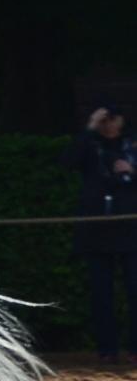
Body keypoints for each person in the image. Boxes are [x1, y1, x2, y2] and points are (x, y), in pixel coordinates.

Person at [63, 104, 137, 365]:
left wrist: (131, 171)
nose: (108, 124)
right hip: (97, 230)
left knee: (135, 290)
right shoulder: (89, 146)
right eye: (103, 120)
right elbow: (68, 162)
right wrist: (89, 128)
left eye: (112, 118)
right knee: (101, 293)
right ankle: (107, 349)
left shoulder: (132, 145)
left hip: (130, 229)